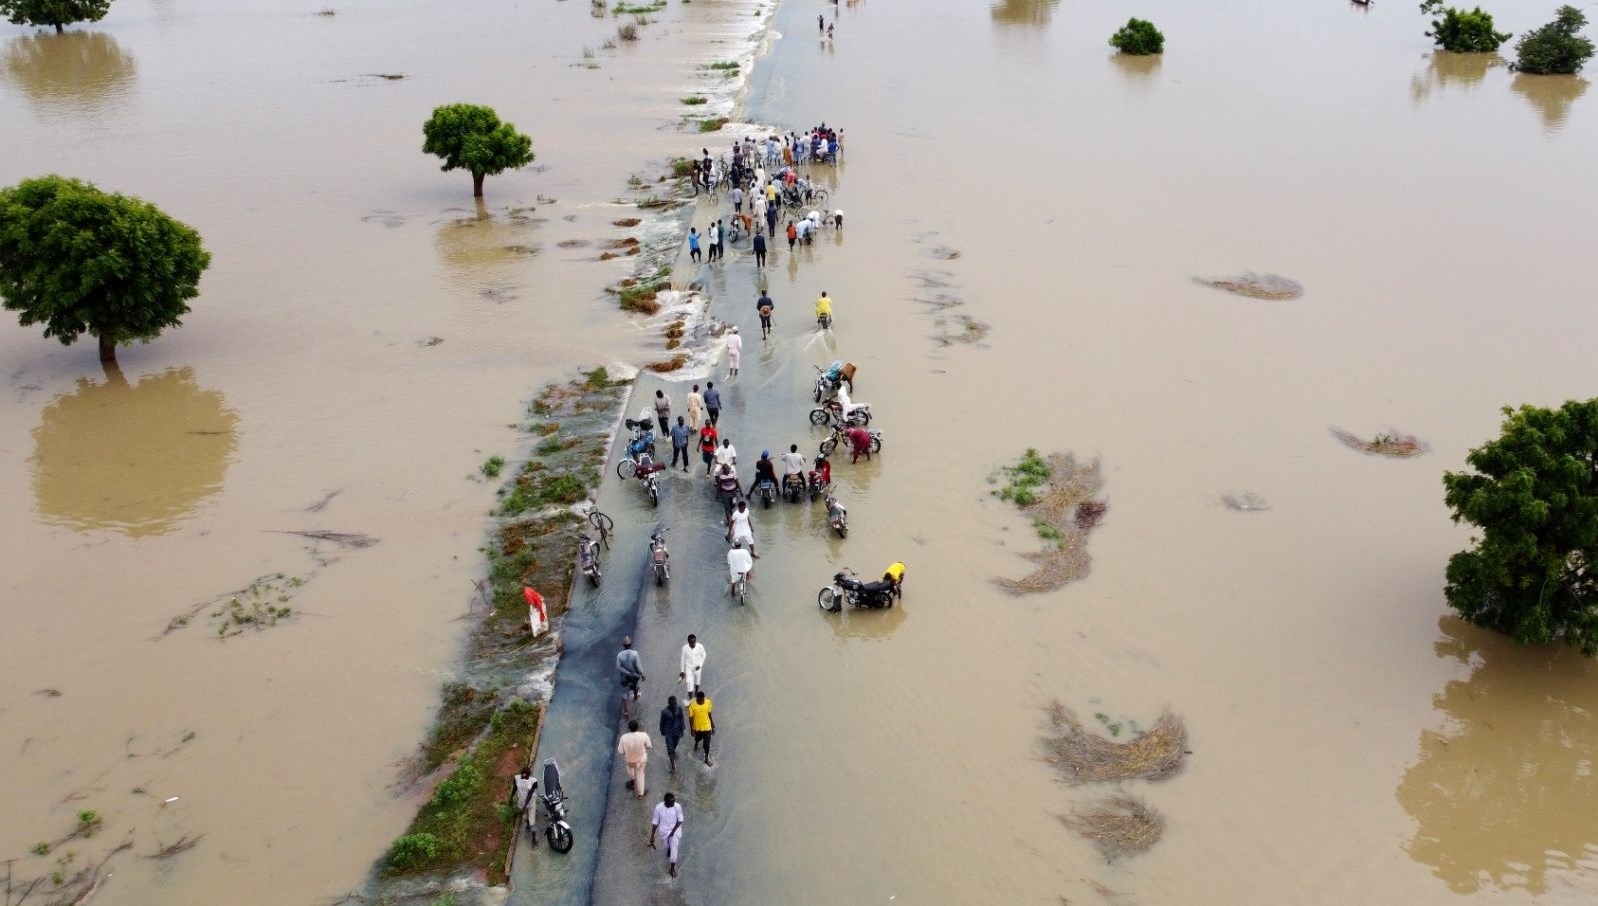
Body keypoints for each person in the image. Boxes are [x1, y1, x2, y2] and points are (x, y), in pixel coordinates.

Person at [649, 792, 686, 876]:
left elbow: (680, 820)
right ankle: (668, 848)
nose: (673, 803)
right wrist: (652, 836)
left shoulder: (677, 807)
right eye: (671, 802)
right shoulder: (659, 808)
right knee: (667, 847)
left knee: (674, 850)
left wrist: (673, 832)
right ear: (665, 802)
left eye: (674, 801)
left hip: (675, 830)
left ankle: (672, 869)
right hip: (664, 831)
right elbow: (655, 822)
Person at [618, 719, 652, 799]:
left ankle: (632, 782)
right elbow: (649, 746)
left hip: (629, 760)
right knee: (640, 776)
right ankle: (640, 794)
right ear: (638, 727)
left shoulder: (624, 737)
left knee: (630, 771)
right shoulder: (643, 735)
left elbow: (621, 751)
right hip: (640, 761)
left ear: (629, 728)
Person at [617, 636, 646, 717]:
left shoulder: (620, 655)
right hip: (634, 675)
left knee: (624, 692)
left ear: (623, 645)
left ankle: (626, 710)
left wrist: (627, 672)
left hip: (624, 677)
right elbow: (638, 665)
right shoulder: (635, 653)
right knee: (635, 685)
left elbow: (618, 667)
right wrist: (642, 674)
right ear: (630, 644)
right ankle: (635, 698)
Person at [686, 689, 714, 766]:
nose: (702, 702)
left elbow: (709, 713)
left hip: (707, 727)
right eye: (700, 700)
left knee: (707, 744)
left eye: (703, 700)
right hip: (697, 728)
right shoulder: (692, 706)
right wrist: (691, 729)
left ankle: (706, 759)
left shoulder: (708, 702)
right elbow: (690, 718)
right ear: (697, 699)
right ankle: (696, 744)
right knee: (698, 739)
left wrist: (712, 724)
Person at [659, 696, 686, 773]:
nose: (674, 705)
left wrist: (682, 729)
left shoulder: (679, 708)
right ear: (669, 704)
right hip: (669, 732)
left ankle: (673, 751)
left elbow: (681, 718)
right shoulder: (664, 712)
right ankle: (673, 766)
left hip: (677, 731)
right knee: (670, 749)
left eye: (675, 703)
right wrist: (662, 730)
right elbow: (662, 722)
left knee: (674, 745)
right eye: (673, 704)